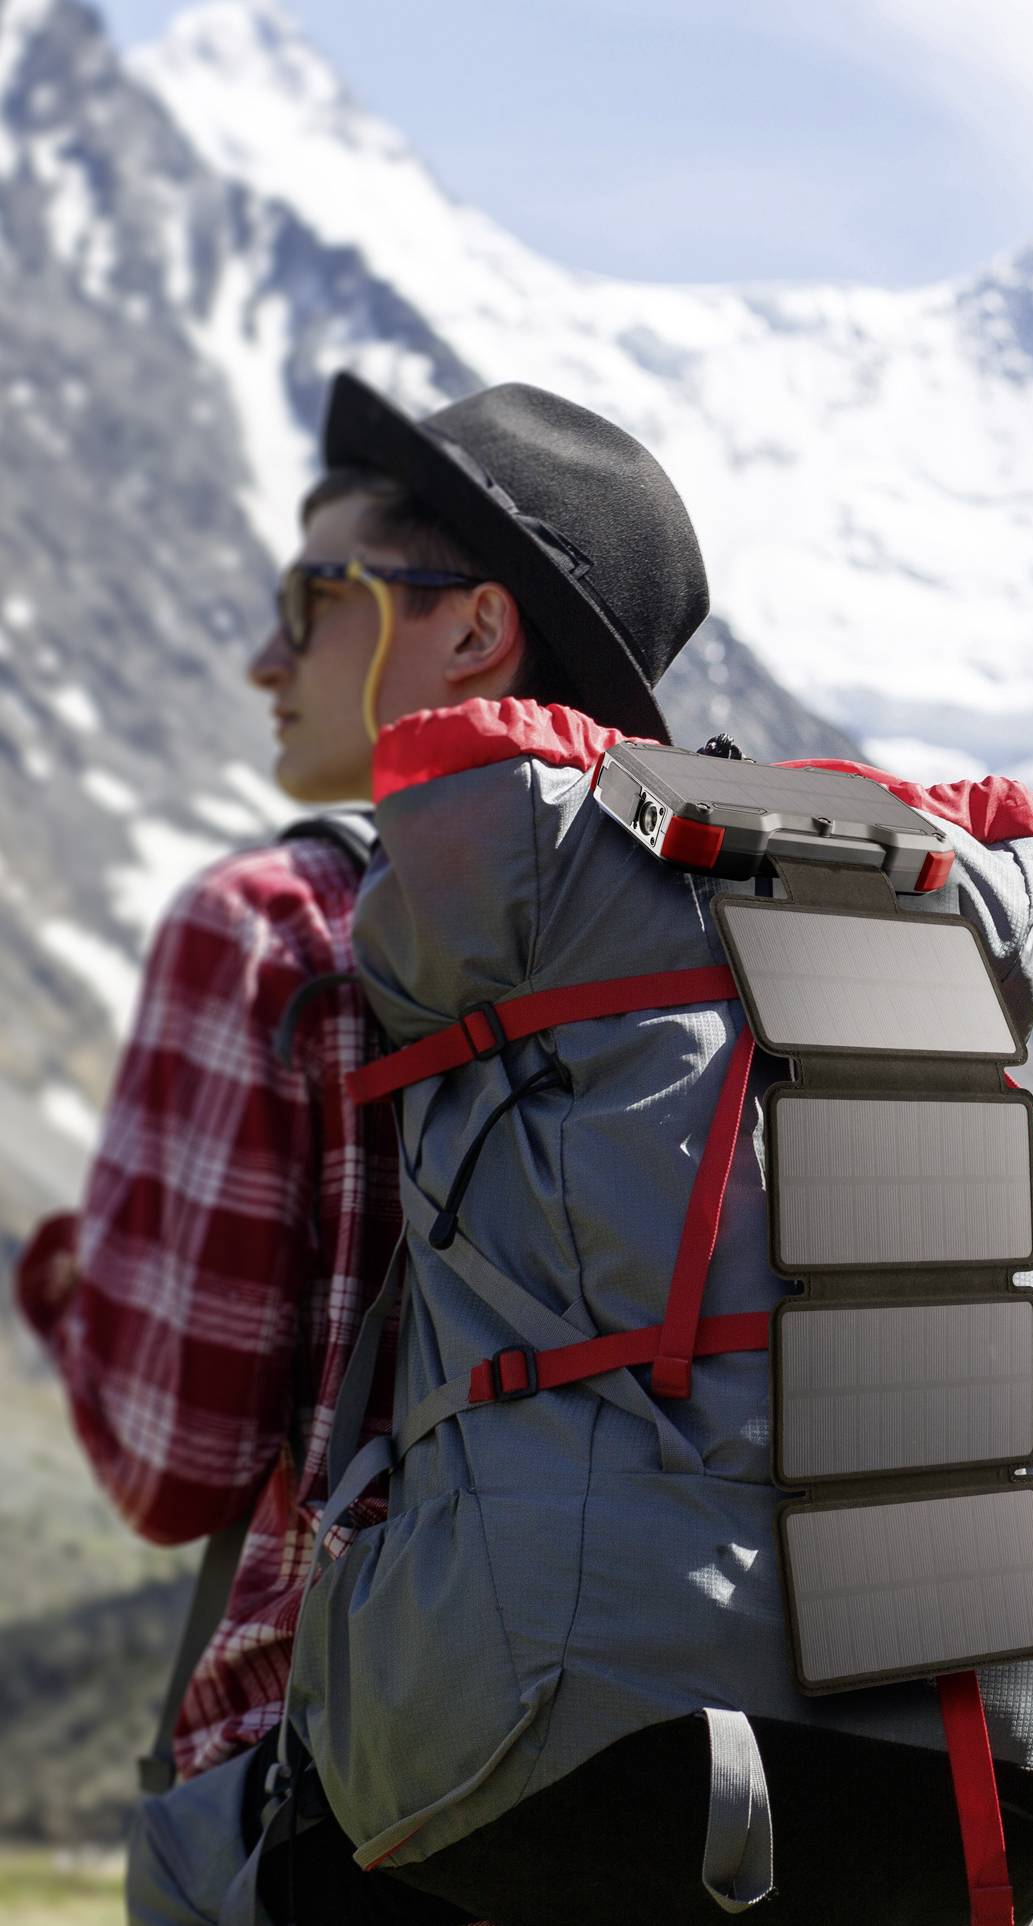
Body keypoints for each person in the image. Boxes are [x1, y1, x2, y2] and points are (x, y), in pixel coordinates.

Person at [14, 369, 712, 1925]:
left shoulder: (274, 932)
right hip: (785, 1771)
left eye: (312, 593)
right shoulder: (753, 930)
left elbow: (175, 1463)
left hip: (381, 1791)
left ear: (471, 629)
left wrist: (71, 1283)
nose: (267, 654)